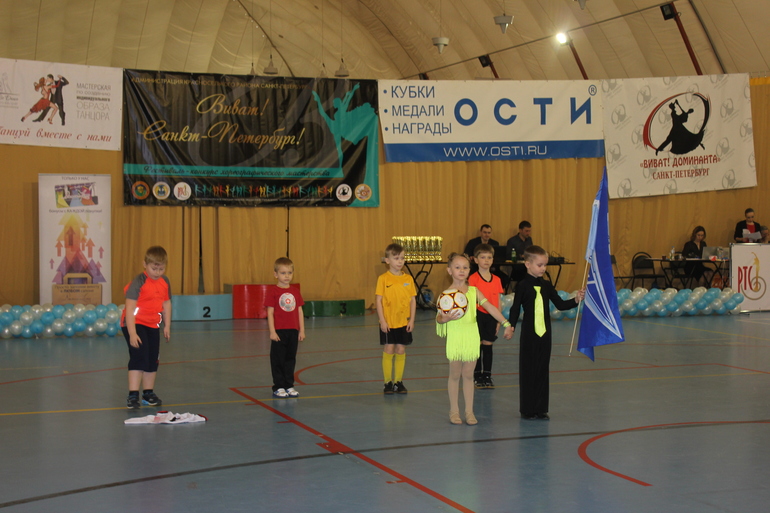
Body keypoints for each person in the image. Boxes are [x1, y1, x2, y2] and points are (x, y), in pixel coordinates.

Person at [508, 246, 584, 421]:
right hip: (529, 334)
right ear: (528, 264)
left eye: (545, 265)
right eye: (539, 265)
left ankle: (541, 408)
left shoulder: (546, 285)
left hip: (545, 335)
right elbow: (515, 308)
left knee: (542, 370)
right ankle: (527, 409)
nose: (543, 268)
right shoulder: (522, 285)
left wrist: (576, 299)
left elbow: (560, 305)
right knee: (528, 370)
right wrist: (510, 326)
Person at [436, 253, 513, 426]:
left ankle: (469, 412)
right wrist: (445, 319)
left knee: (469, 375)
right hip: (456, 337)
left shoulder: (473, 291)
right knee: (455, 375)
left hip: (471, 335)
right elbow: (439, 319)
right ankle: (454, 411)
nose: (461, 270)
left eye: (465, 267)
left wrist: (505, 322)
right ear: (449, 270)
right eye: (457, 267)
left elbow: (490, 307)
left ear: (469, 270)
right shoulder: (445, 296)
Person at [121, 246, 172, 409]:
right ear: (145, 264)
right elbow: (130, 308)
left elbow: (166, 303)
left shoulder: (164, 282)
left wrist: (167, 325)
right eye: (154, 268)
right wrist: (132, 333)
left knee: (152, 359)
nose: (157, 272)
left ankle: (148, 393)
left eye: (161, 269)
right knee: (140, 357)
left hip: (152, 324)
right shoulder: (139, 282)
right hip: (134, 323)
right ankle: (133, 394)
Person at [375, 243, 416, 394]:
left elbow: (412, 300)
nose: (400, 261)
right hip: (388, 322)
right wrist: (382, 320)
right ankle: (387, 382)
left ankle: (398, 382)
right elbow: (378, 300)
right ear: (387, 260)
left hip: (403, 321)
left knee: (400, 349)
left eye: (402, 258)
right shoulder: (383, 279)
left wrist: (411, 320)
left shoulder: (408, 279)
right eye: (396, 258)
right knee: (389, 348)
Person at [266, 257, 306, 398]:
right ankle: (278, 386)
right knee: (278, 360)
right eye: (283, 273)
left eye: (289, 273)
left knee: (290, 359)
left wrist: (301, 330)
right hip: (279, 331)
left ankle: (289, 385)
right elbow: (270, 312)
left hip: (293, 331)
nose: (287, 276)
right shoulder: (273, 292)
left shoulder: (295, 291)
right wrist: (272, 331)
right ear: (276, 274)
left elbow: (299, 311)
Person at [468, 244, 504, 389]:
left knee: (488, 345)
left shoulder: (497, 280)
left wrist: (499, 321)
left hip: (491, 317)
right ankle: (477, 375)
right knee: (477, 346)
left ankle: (487, 375)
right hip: (477, 315)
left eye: (489, 257)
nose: (486, 260)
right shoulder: (473, 279)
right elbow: (470, 300)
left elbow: (498, 301)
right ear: (476, 260)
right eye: (483, 257)